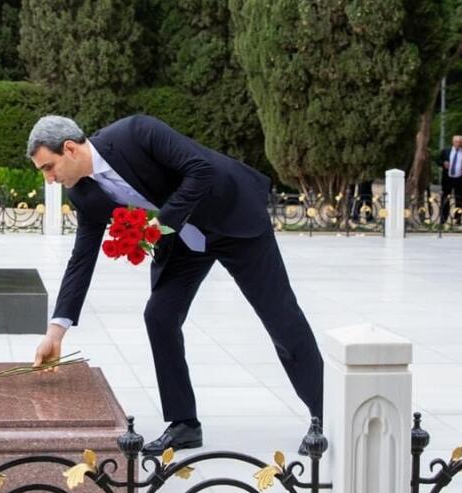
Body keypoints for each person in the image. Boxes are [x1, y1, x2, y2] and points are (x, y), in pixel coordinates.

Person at [27, 114, 323, 455]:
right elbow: (82, 258)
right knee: (160, 316)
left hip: (232, 217)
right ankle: (184, 424)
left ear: (70, 149)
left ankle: (321, 415)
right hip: (183, 241)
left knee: (280, 317)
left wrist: (159, 225)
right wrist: (55, 332)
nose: (49, 179)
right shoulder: (82, 193)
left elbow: (201, 170)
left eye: (48, 167)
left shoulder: (137, 133)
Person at [438, 134, 462, 225]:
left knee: (459, 199)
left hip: (460, 179)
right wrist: (443, 164)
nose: (457, 143)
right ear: (453, 142)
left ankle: (458, 219)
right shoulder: (446, 151)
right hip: (447, 179)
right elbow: (438, 160)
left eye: (459, 142)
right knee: (445, 199)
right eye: (456, 141)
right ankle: (443, 219)